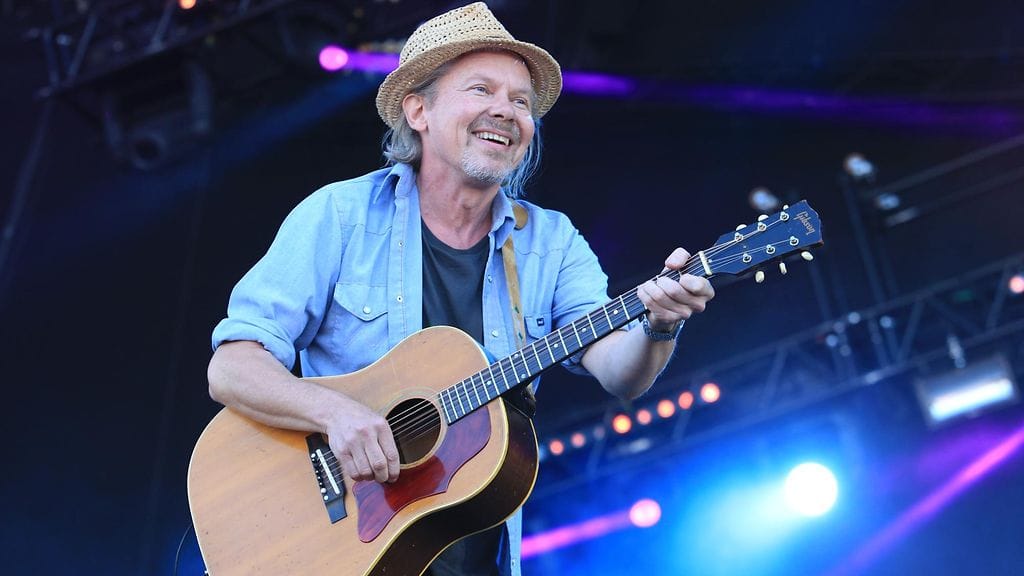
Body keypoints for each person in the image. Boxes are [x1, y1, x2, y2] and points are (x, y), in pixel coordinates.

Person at [206, 3, 715, 575]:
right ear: (418, 110)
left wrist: (660, 324)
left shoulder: (551, 242)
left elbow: (621, 373)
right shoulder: (340, 216)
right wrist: (334, 414)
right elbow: (232, 367)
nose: (506, 110)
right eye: (481, 89)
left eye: (521, 101)